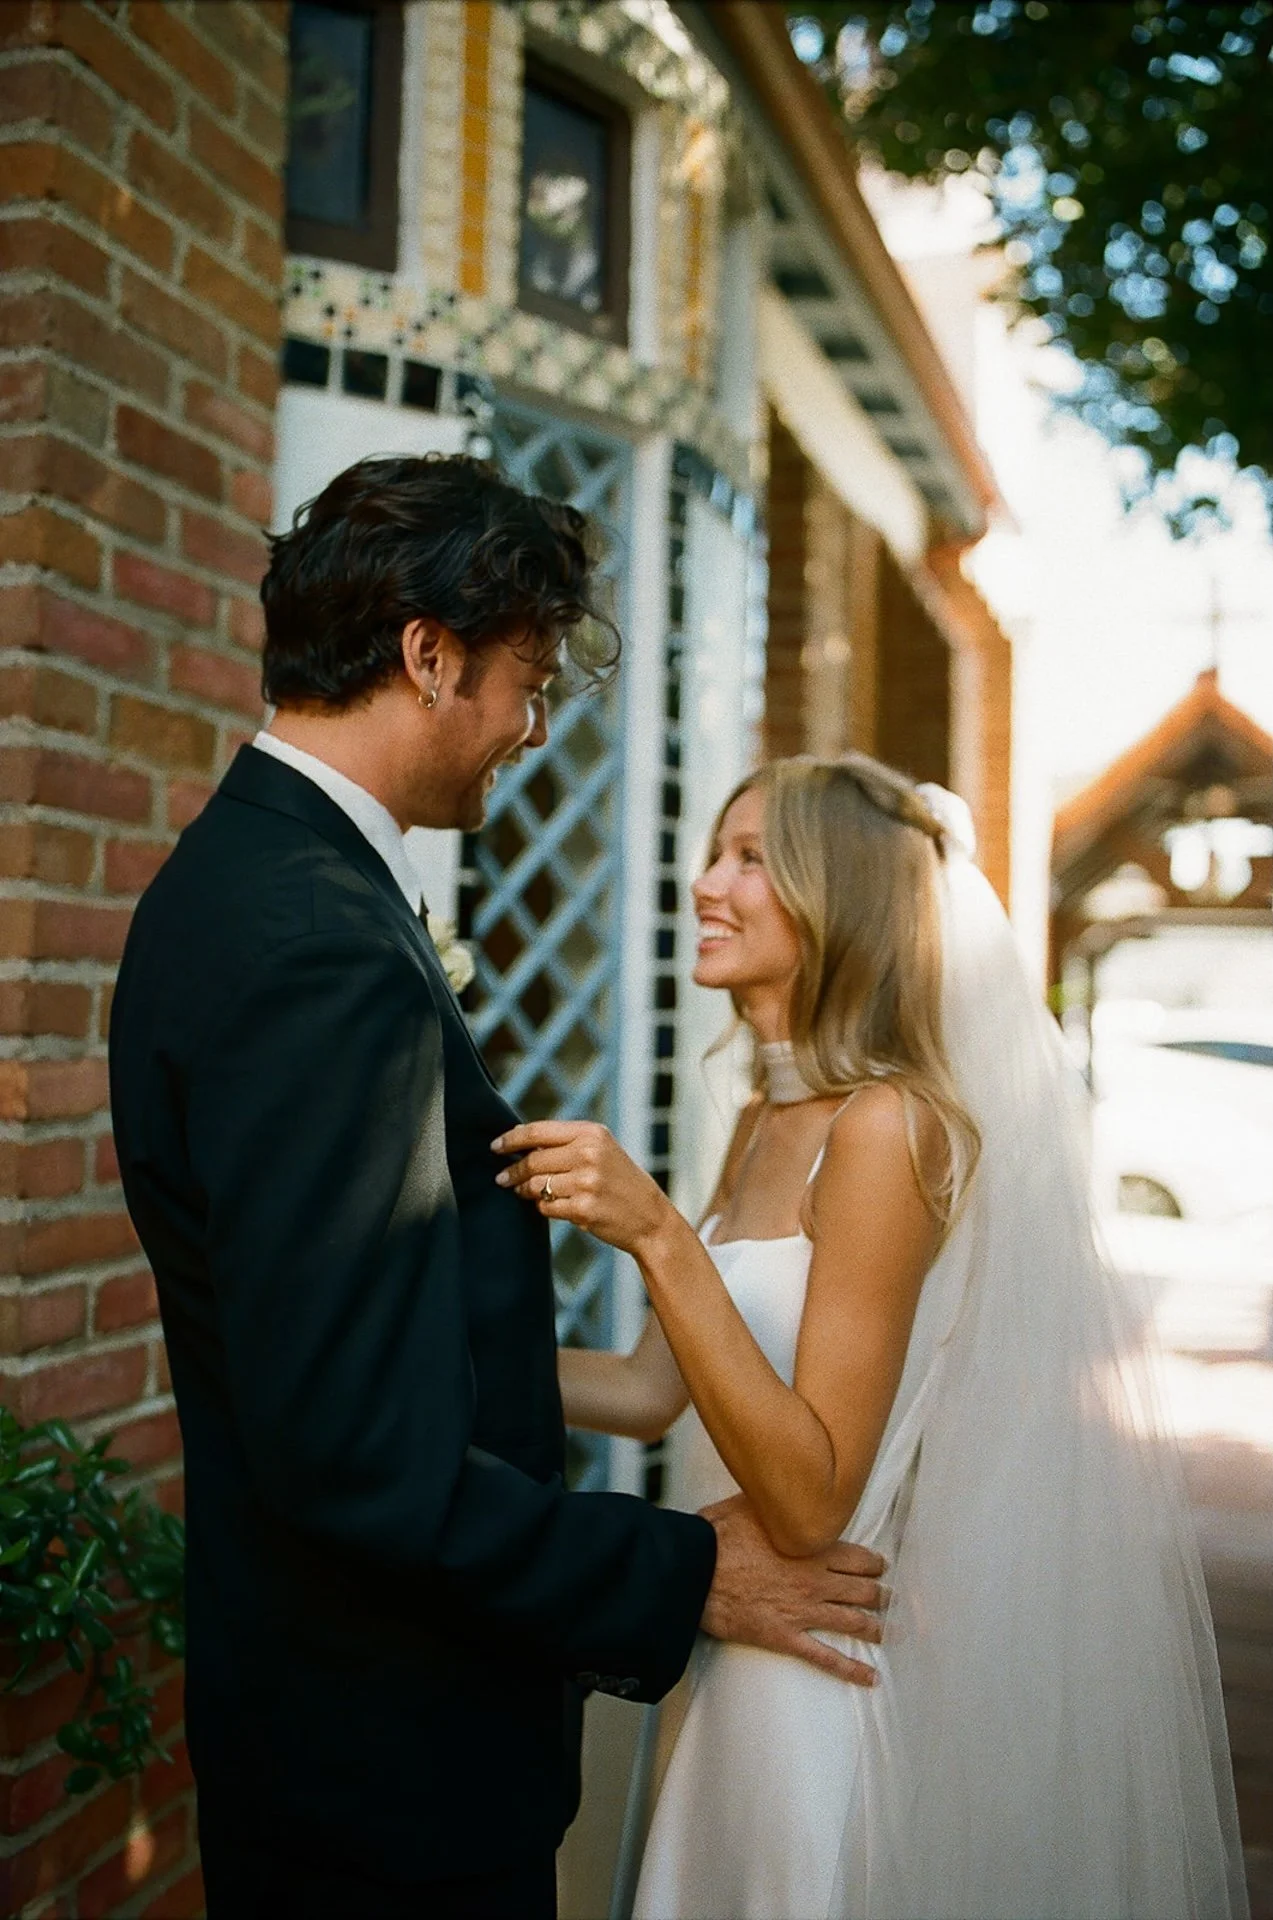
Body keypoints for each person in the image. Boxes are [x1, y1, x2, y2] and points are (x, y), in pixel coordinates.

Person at [107, 458, 887, 1920]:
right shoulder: (316, 945)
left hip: (327, 1723)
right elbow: (355, 1451)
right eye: (527, 684)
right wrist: (675, 1577)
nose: (530, 734)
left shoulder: (247, 885)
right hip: (385, 1761)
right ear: (427, 653)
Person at [495, 751, 1249, 1920]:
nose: (707, 883)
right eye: (713, 853)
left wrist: (655, 1229)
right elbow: (651, 1392)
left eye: (751, 859)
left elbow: (812, 1501)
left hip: (817, 1674)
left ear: (834, 894)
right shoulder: (763, 1117)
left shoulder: (887, 1128)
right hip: (726, 1640)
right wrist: (439, 1379)